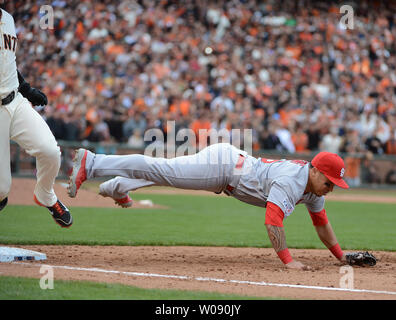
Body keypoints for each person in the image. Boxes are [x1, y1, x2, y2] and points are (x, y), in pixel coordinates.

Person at [68, 142, 351, 270]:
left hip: (228, 171)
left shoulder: (314, 189)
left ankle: (116, 187)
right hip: (224, 168)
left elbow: (322, 224)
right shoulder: (292, 181)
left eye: (333, 185)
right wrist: (288, 261)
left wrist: (341, 256)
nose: (330, 188)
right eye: (329, 182)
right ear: (314, 171)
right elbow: (272, 222)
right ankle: (92, 163)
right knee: (162, 169)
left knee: (167, 176)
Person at [0, 4, 72, 227]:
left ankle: (45, 195)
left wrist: (26, 89)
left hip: (15, 101)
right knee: (1, 188)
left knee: (50, 151)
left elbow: (8, 61)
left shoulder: (8, 19)